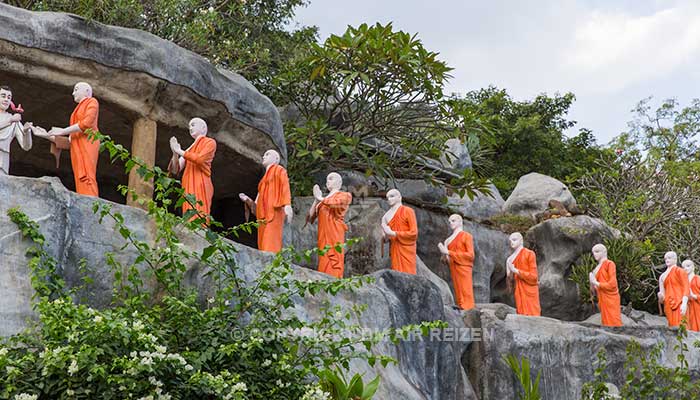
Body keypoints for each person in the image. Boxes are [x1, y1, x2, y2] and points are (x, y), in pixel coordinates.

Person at [47, 82, 100, 196]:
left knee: (87, 173)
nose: (73, 93)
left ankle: (91, 199)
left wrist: (63, 130)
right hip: (77, 143)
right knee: (79, 174)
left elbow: (87, 123)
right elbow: (69, 141)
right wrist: (44, 135)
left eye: (76, 89)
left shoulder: (92, 102)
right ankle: (84, 196)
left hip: (88, 141)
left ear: (86, 91)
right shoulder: (76, 110)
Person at [239, 150, 292, 252]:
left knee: (271, 240)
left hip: (274, 211)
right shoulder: (263, 181)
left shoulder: (279, 170)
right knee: (262, 241)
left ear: (276, 159)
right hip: (263, 215)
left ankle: (273, 264)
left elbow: (285, 187)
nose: (264, 157)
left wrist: (287, 205)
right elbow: (257, 204)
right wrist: (248, 200)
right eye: (264, 154)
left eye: (267, 154)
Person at [169, 118, 217, 218]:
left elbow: (200, 159)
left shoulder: (210, 142)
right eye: (189, 126)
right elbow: (175, 171)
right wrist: (175, 154)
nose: (190, 128)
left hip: (201, 182)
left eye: (193, 125)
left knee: (199, 211)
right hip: (187, 182)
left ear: (203, 127)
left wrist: (180, 151)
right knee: (188, 211)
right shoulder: (190, 148)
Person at [308, 172, 352, 278]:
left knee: (335, 258)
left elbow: (336, 204)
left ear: (339, 182)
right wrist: (316, 200)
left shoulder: (345, 195)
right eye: (327, 179)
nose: (328, 181)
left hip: (335, 232)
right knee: (324, 257)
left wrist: (321, 198)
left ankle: (335, 280)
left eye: (331, 178)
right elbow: (311, 217)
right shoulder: (322, 201)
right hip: (323, 234)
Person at [438, 214, 475, 310]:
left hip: (464, 267)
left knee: (465, 289)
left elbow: (471, 255)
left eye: (453, 221)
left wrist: (449, 252)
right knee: (457, 288)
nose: (451, 223)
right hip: (453, 267)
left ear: (460, 221)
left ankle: (468, 308)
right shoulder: (448, 240)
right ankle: (461, 306)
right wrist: (443, 253)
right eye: (449, 222)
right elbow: (445, 260)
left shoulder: (466, 236)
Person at [381, 189, 418, 274]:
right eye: (387, 198)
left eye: (392, 196)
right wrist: (385, 235)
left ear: (399, 197)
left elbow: (414, 233)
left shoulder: (408, 211)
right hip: (395, 248)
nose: (389, 199)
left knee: (409, 274)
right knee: (397, 274)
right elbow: (385, 239)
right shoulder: (385, 217)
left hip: (407, 248)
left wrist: (393, 233)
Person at [506, 232, 541, 316]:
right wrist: (510, 275)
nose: (512, 242)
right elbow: (510, 285)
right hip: (518, 290)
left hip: (530, 289)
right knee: (521, 314)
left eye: (514, 240)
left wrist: (516, 271)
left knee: (533, 315)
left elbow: (534, 277)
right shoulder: (509, 259)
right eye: (510, 241)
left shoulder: (529, 254)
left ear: (521, 241)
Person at [0, 86, 32, 174]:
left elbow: (26, 146)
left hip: (3, 162)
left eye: (9, 97)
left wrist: (27, 132)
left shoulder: (14, 120)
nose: (6, 99)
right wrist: (10, 121)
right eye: (3, 96)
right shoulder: (12, 120)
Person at [589, 244, 622, 327]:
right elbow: (594, 290)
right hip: (602, 298)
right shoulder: (596, 268)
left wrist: (596, 282)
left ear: (604, 252)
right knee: (605, 321)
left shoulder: (609, 264)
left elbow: (612, 284)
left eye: (597, 251)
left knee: (613, 320)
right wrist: (592, 284)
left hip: (611, 298)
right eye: (593, 252)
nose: (595, 254)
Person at [658, 251, 689, 327]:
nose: (667, 260)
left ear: (675, 259)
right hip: (668, 304)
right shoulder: (662, 276)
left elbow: (686, 287)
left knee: (681, 325)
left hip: (679, 302)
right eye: (665, 258)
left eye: (669, 258)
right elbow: (662, 296)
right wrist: (660, 297)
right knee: (671, 326)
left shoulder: (680, 271)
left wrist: (684, 303)